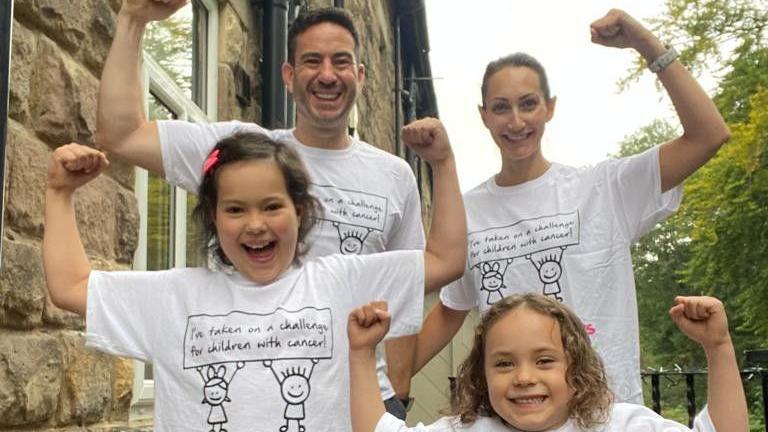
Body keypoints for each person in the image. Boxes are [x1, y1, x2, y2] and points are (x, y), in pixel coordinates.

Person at [97, 0, 425, 416]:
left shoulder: (395, 176)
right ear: (288, 75)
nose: (327, 75)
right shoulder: (243, 152)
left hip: (362, 406)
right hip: (259, 405)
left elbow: (412, 285)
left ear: (360, 75)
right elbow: (121, 134)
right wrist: (133, 20)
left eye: (341, 61)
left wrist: (394, 390)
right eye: (311, 61)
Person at [42, 119, 465, 431]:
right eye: (235, 209)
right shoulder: (176, 296)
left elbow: (446, 260)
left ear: (299, 211)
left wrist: (443, 163)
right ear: (213, 216)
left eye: (271, 206)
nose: (255, 224)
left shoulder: (340, 282)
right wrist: (60, 194)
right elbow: (70, 286)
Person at [412, 9, 731, 404]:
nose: (516, 121)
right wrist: (384, 385)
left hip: (604, 415)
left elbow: (709, 135)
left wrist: (645, 44)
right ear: (484, 116)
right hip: (516, 414)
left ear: (550, 107)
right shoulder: (468, 212)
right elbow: (450, 310)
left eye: (528, 104)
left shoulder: (604, 188)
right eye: (501, 107)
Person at [348, 294, 748, 432]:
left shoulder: (621, 424)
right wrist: (363, 354)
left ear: (576, 369)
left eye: (544, 361)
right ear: (480, 375)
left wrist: (719, 347)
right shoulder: (470, 429)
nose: (524, 378)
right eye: (504, 364)